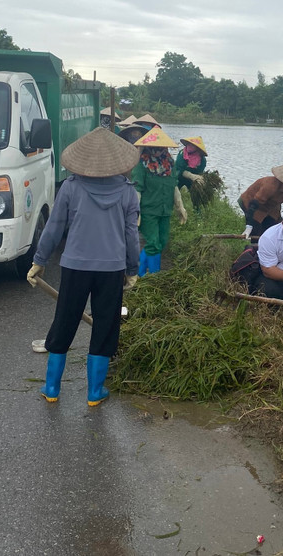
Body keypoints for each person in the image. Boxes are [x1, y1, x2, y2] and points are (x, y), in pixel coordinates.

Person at [26, 128, 141, 407]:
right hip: (111, 269)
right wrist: (132, 268)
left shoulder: (70, 187)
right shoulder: (128, 193)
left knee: (64, 321)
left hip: (75, 266)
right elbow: (131, 236)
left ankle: (52, 388)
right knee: (105, 325)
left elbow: (54, 228)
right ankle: (94, 392)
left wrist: (39, 261)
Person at [131, 127, 188, 276]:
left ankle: (141, 274)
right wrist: (136, 213)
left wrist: (180, 207)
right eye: (154, 148)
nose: (157, 151)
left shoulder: (169, 162)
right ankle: (148, 276)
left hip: (165, 210)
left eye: (160, 148)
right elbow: (137, 189)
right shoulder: (141, 164)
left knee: (161, 242)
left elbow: (173, 185)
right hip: (148, 210)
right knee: (152, 243)